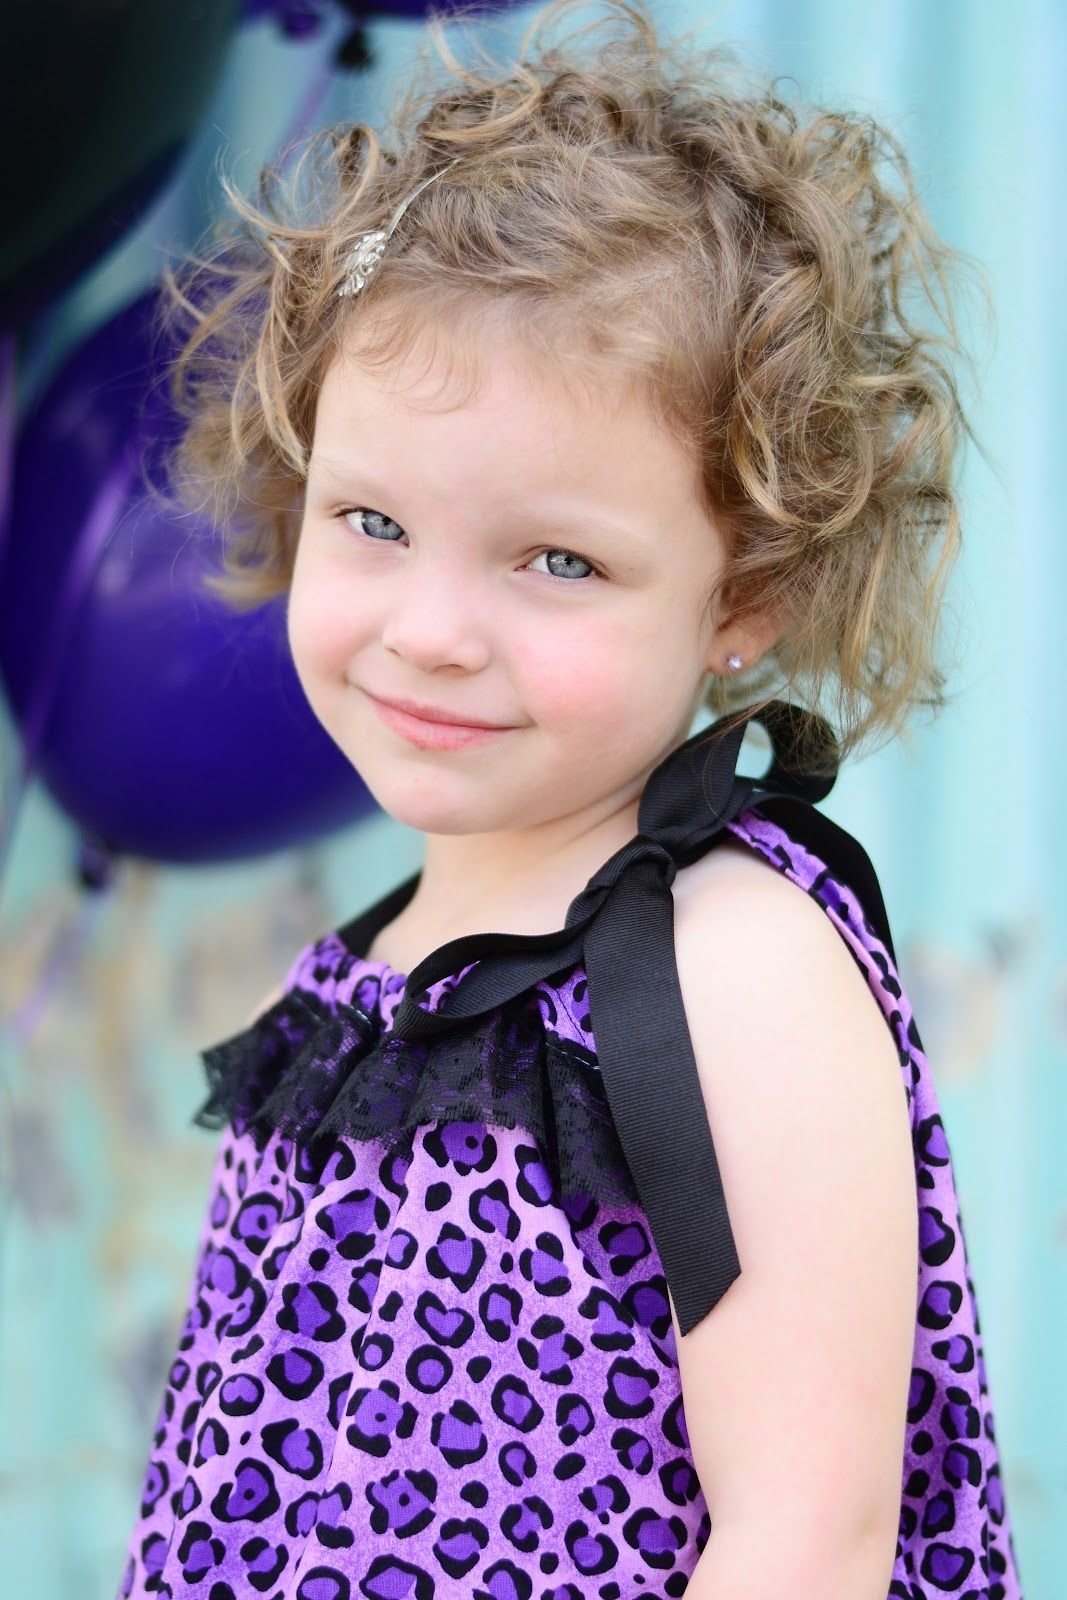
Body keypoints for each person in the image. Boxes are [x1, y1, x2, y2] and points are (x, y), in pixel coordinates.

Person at [118, 2, 1024, 1595]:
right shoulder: (354, 985)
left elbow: (806, 1539)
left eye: (557, 560)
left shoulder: (734, 970)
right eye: (374, 521)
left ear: (746, 593)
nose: (432, 631)